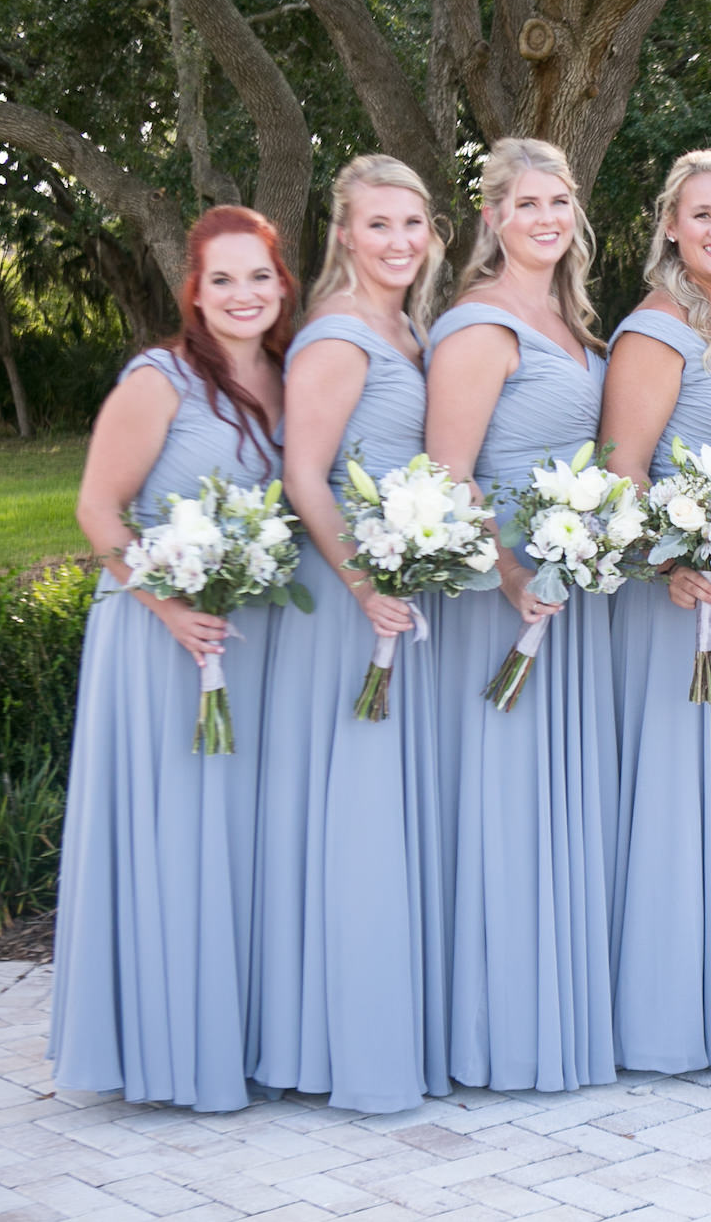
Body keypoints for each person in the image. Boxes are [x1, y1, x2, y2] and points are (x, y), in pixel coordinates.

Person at [52, 205, 293, 1111]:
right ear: (193, 289)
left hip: (248, 635)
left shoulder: (287, 372)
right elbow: (98, 510)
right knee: (174, 838)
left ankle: (230, 1035)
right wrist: (169, 604)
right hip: (160, 637)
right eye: (222, 279)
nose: (243, 295)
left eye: (259, 277)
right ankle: (162, 1048)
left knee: (231, 843)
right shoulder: (160, 379)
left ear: (282, 284)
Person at [251, 155, 451, 1112]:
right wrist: (366, 584)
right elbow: (305, 476)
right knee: (354, 812)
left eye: (413, 225)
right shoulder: (336, 334)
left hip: (391, 585)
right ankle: (340, 1045)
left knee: (379, 811)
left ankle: (381, 1022)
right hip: (346, 598)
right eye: (381, 226)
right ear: (343, 234)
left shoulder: (406, 327)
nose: (400, 242)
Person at [424, 137, 616, 1092]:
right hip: (500, 598)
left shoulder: (572, 317)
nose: (546, 218)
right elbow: (448, 474)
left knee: (551, 804)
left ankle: (553, 1010)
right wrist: (506, 573)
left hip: (566, 585)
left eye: (559, 201)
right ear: (492, 218)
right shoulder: (480, 323)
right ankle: (495, 1029)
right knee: (503, 804)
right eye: (526, 203)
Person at [599, 150, 711, 1073]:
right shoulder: (659, 329)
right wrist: (666, 560)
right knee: (672, 795)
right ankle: (660, 1016)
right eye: (701, 214)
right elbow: (622, 466)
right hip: (676, 597)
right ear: (670, 224)